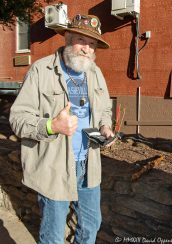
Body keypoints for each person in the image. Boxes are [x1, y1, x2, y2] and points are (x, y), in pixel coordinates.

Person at [9, 14, 115, 244]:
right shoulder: (41, 70)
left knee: (91, 225)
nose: (87, 49)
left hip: (88, 166)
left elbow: (105, 108)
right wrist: (51, 126)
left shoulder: (94, 73)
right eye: (81, 40)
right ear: (67, 38)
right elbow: (18, 118)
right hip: (54, 167)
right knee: (53, 235)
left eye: (92, 44)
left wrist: (106, 127)